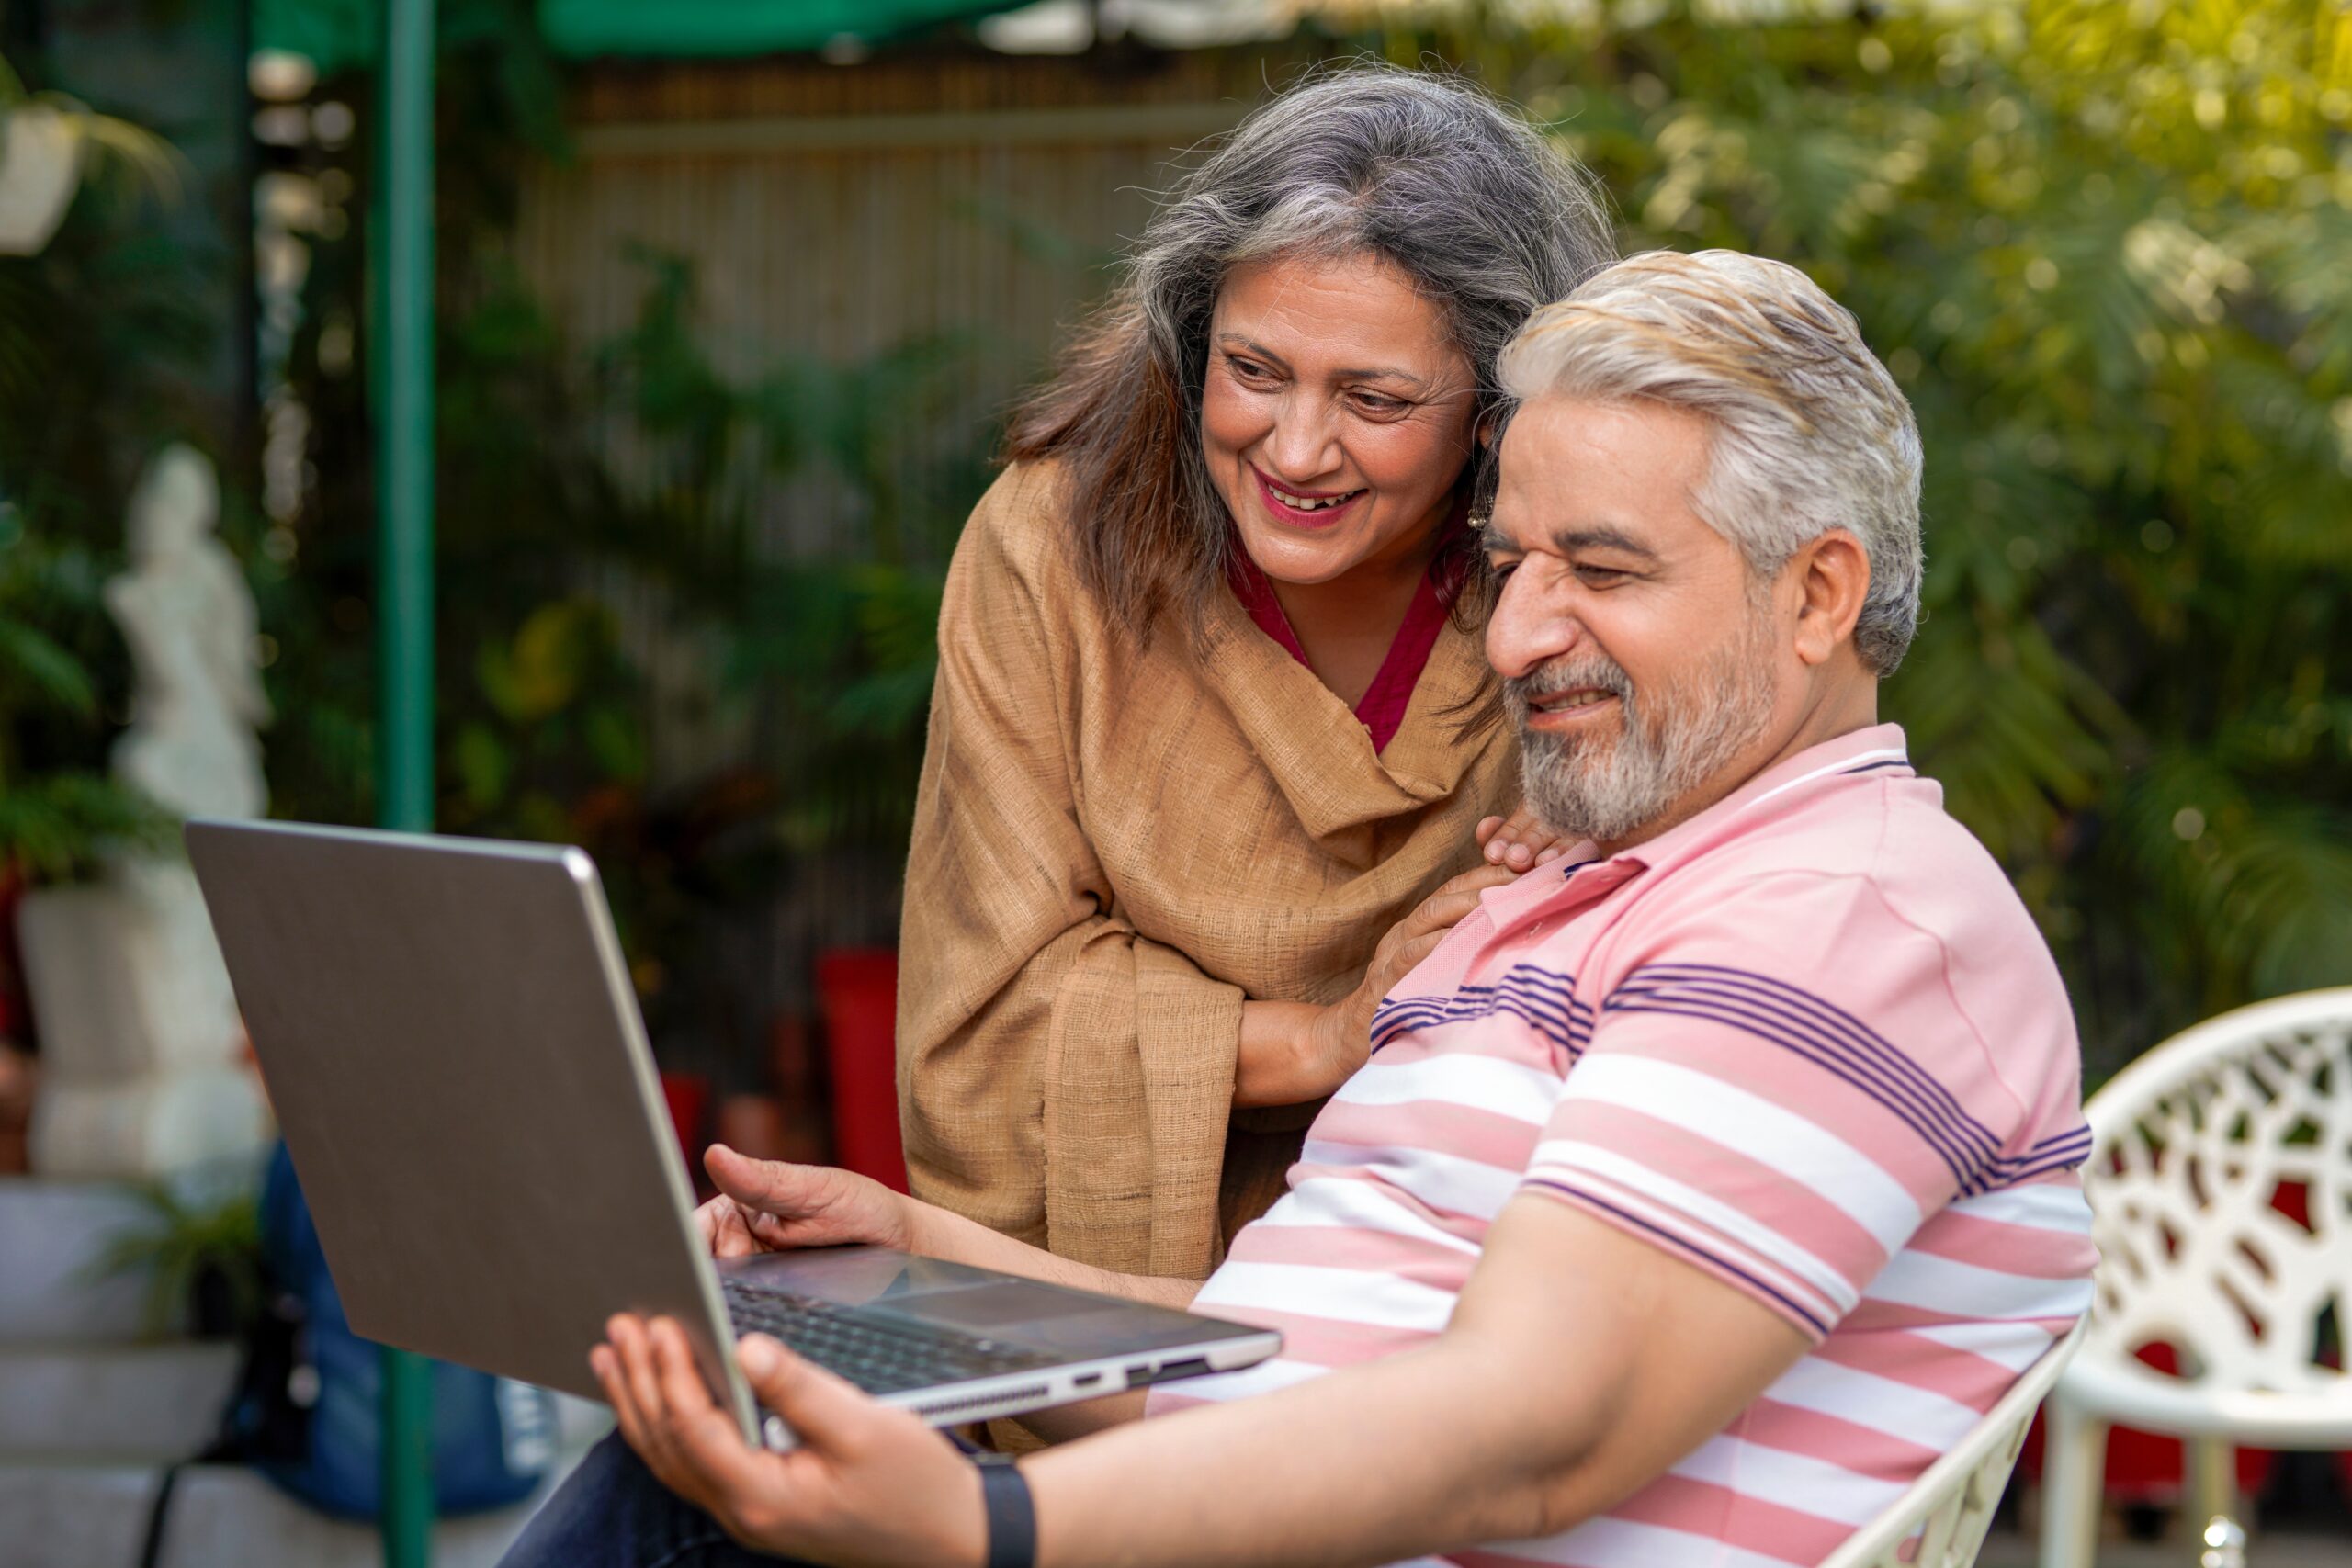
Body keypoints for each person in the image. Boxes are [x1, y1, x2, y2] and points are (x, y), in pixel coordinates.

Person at [505, 249, 2099, 1568]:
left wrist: (992, 1521)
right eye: (1512, 562)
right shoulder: (1572, 906)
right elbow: (1293, 1359)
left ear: (1818, 593)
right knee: (697, 1474)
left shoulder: (1846, 918)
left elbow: (1530, 1433)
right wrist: (915, 1265)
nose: (1525, 633)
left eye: (1601, 572)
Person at [899, 64, 1617, 1282]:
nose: (1294, 449)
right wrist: (1336, 1035)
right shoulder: (1053, 547)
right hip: (1085, 1301)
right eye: (1254, 370)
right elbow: (981, 1037)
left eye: (1375, 398)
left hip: (1471, 1300)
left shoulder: (1584, 591)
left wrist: (1599, 838)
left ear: (1500, 412)